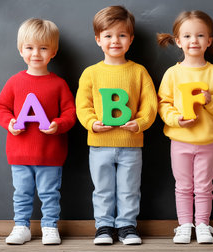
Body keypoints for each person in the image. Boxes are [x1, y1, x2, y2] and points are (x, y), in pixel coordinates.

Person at [76, 5, 157, 245]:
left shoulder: (139, 71)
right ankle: (103, 226)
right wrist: (91, 123)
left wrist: (140, 123)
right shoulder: (90, 73)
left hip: (131, 144)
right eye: (108, 35)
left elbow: (150, 105)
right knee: (102, 189)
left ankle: (127, 226)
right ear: (98, 39)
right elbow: (83, 105)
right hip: (99, 144)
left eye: (121, 35)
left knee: (129, 189)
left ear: (131, 39)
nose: (115, 41)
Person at [0, 18, 76, 245]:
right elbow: (1, 108)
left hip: (51, 154)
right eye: (29, 48)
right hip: (20, 153)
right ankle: (21, 226)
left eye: (43, 48)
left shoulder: (58, 84)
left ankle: (50, 226)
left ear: (54, 52)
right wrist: (10, 122)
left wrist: (57, 124)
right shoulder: (14, 82)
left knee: (50, 194)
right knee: (21, 193)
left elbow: (71, 113)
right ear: (21, 50)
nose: (36, 54)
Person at [156, 10, 213, 244]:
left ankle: (202, 224)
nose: (194, 41)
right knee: (183, 186)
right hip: (180, 141)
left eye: (200, 36)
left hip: (208, 142)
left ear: (209, 41)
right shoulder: (172, 74)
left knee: (204, 186)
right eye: (187, 36)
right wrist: (177, 119)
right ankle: (184, 224)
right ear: (178, 41)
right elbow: (163, 105)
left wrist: (211, 101)